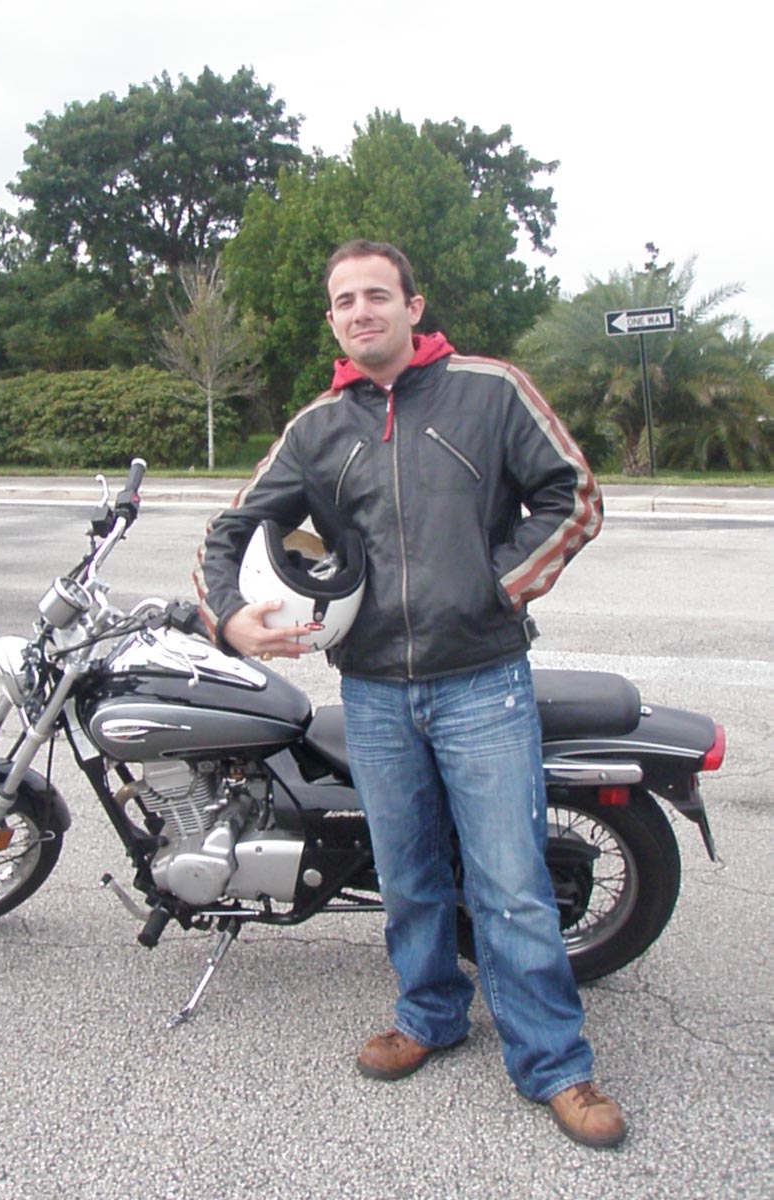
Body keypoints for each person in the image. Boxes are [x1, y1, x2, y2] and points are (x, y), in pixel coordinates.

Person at [194, 239, 624, 1149]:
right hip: (375, 689)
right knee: (409, 875)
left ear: (413, 306)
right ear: (332, 319)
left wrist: (497, 586)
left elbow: (575, 496)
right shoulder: (318, 427)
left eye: (377, 295)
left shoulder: (490, 390)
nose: (362, 311)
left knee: (510, 883)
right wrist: (230, 619)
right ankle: (429, 1014)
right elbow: (230, 528)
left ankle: (555, 1064)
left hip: (483, 680)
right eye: (344, 300)